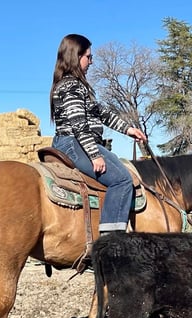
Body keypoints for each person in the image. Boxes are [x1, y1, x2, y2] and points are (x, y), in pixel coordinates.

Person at [49, 34, 147, 234]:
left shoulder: (77, 85)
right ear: (75, 57)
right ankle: (110, 241)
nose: (91, 62)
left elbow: (101, 113)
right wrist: (94, 154)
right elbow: (78, 124)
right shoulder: (71, 86)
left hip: (73, 141)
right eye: (88, 57)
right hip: (74, 143)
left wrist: (129, 130)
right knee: (121, 179)